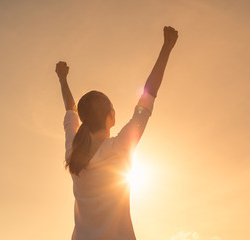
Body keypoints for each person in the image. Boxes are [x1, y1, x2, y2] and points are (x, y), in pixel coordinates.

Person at [56, 26, 178, 240]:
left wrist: (62, 78)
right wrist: (167, 47)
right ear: (110, 115)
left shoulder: (73, 154)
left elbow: (69, 111)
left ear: (85, 119)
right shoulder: (120, 147)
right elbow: (149, 96)